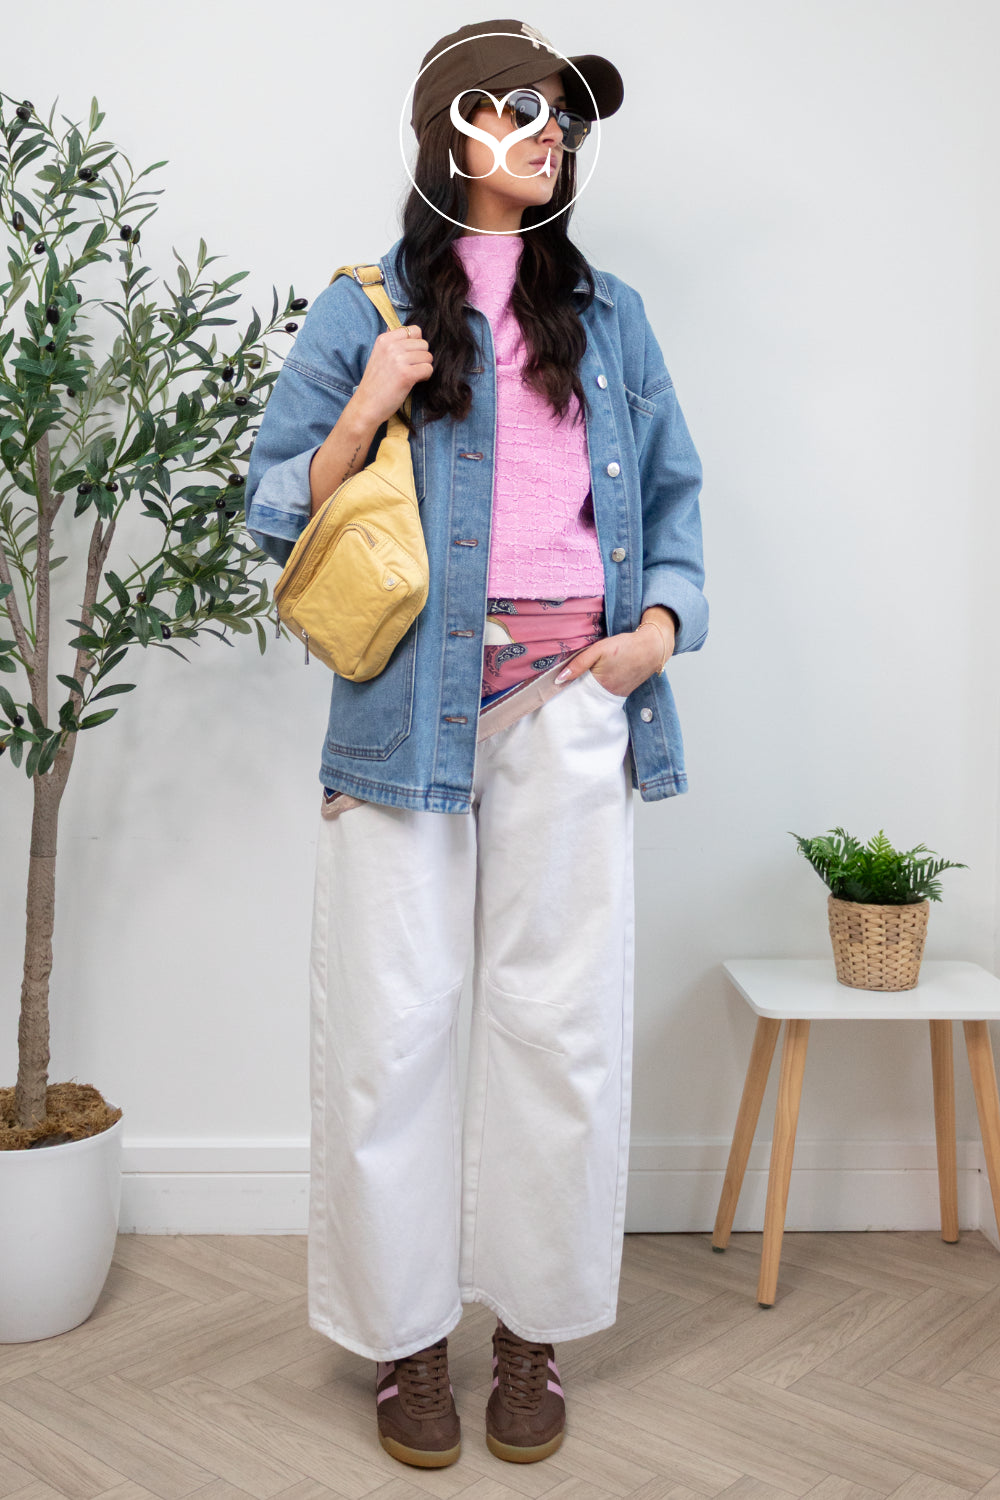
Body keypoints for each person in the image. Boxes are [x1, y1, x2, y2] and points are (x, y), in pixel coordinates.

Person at [245, 17, 707, 1471]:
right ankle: (402, 1347)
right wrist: (371, 401)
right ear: (455, 130)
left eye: (565, 114)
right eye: (524, 107)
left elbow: (678, 498)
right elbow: (275, 508)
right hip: (404, 716)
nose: (553, 130)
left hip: (577, 697)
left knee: (557, 1032)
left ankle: (533, 1332)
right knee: (395, 1031)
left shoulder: (613, 316)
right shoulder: (364, 307)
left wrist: (661, 633)